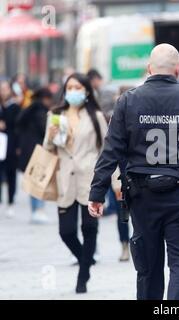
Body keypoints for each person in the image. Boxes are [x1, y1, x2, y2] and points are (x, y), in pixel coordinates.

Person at [88, 44, 179, 300]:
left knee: (148, 269)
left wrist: (97, 191)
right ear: (178, 69)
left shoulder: (128, 101)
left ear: (149, 69)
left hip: (143, 198)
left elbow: (111, 150)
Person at [43, 73, 108, 294]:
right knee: (66, 231)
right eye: (69, 87)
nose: (73, 91)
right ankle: (85, 262)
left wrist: (116, 182)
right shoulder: (55, 115)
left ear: (87, 91)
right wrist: (50, 137)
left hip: (90, 180)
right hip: (65, 180)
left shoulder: (96, 116)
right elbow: (48, 150)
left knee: (90, 228)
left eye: (78, 87)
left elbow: (107, 151)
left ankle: (82, 279)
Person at [16, 88, 54, 224]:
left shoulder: (29, 109)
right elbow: (45, 130)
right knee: (38, 181)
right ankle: (38, 210)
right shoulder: (40, 112)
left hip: (28, 149)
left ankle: (35, 210)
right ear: (45, 99)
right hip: (38, 150)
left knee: (33, 180)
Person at [0, 80, 20, 218]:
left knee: (11, 173)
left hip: (11, 144)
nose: (3, 91)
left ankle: (11, 201)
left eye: (5, 88)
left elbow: (18, 126)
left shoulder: (14, 107)